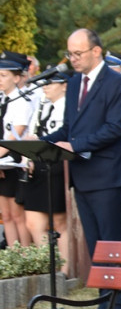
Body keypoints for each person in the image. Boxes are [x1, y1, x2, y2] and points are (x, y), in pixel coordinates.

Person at [42, 29, 121, 309]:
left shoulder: (116, 83)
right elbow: (70, 128)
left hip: (107, 175)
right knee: (95, 244)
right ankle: (102, 304)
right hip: (82, 175)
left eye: (78, 53)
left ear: (97, 51)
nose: (72, 59)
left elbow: (114, 128)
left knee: (112, 243)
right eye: (69, 54)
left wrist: (74, 145)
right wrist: (44, 142)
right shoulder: (73, 83)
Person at [21, 71, 71, 273]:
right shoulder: (42, 105)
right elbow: (32, 135)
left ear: (64, 85)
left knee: (59, 222)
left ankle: (64, 271)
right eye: (44, 84)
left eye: (51, 83)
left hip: (58, 164)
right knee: (33, 222)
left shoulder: (67, 107)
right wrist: (27, 158)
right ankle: (47, 268)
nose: (46, 87)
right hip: (38, 164)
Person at [0, 51, 33, 247]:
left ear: (17, 77)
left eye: (4, 75)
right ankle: (14, 255)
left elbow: (15, 136)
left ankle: (26, 255)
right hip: (2, 164)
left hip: (14, 161)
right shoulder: (2, 100)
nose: (0, 80)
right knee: (6, 214)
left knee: (18, 215)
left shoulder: (21, 101)